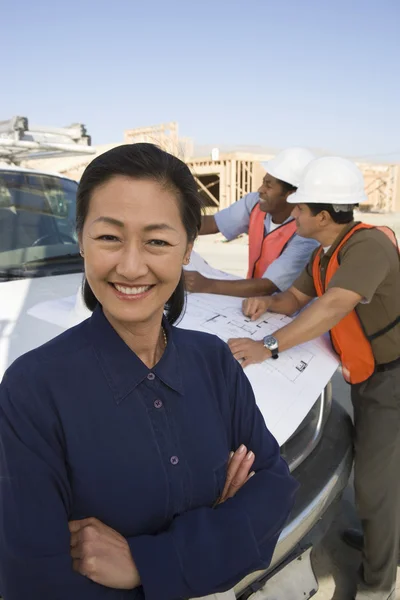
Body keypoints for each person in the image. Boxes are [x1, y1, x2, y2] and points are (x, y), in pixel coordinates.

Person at [0, 143, 298, 600]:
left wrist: (145, 562)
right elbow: (37, 578)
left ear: (187, 250)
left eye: (157, 240)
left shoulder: (214, 361)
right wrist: (219, 523)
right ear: (81, 239)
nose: (132, 265)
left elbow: (274, 490)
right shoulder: (33, 389)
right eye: (109, 238)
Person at [227, 156, 400, 600]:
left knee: (377, 483)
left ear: (323, 215)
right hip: (366, 374)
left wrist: (268, 347)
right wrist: (265, 305)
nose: (292, 213)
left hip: (393, 378)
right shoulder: (325, 254)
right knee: (378, 475)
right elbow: (295, 299)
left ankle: (378, 584)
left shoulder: (368, 247)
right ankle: (385, 545)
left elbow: (331, 306)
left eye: (300, 209)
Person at [184, 147, 318, 297]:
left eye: (269, 185)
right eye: (263, 182)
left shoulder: (307, 233)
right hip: (253, 300)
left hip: (283, 310)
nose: (261, 189)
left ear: (291, 194)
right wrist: (172, 226)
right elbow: (214, 223)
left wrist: (207, 285)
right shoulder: (255, 203)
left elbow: (267, 286)